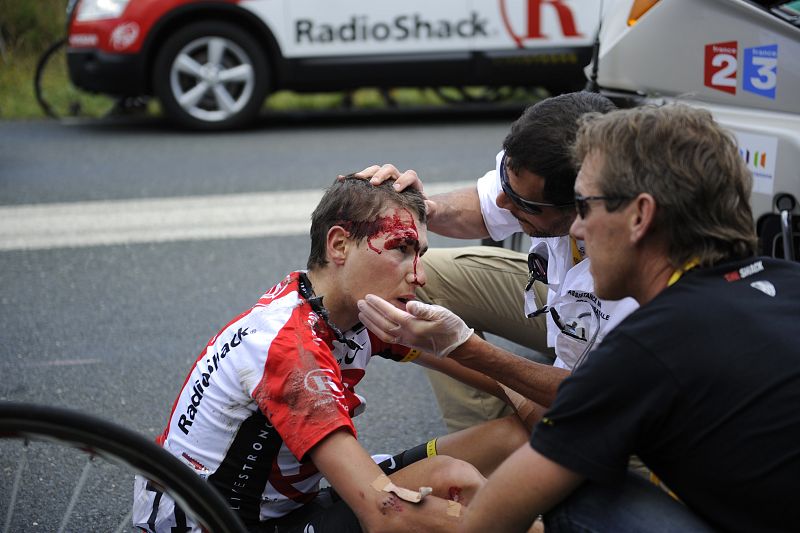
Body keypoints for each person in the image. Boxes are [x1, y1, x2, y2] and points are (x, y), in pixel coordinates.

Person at [359, 104, 800, 532]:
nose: (577, 229)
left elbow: (488, 518)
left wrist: (418, 509)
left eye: (585, 207)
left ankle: (492, 456)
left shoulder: (649, 345)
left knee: (577, 491)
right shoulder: (786, 278)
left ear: (640, 216)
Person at [132, 176, 533, 533]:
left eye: (420, 254)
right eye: (401, 249)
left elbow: (506, 383)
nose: (419, 274)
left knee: (516, 435)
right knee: (447, 491)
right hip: (226, 524)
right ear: (339, 245)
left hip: (291, 508)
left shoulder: (348, 307)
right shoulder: (289, 347)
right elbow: (385, 515)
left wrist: (546, 402)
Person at [359, 92, 638, 432]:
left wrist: (466, 349)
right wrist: (420, 207)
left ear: (584, 203)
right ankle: (487, 433)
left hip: (610, 388)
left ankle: (524, 440)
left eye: (524, 203)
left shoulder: (640, 275)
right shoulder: (549, 176)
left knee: (567, 425)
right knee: (418, 276)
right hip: (569, 310)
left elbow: (589, 396)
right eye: (505, 180)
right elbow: (483, 206)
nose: (503, 201)